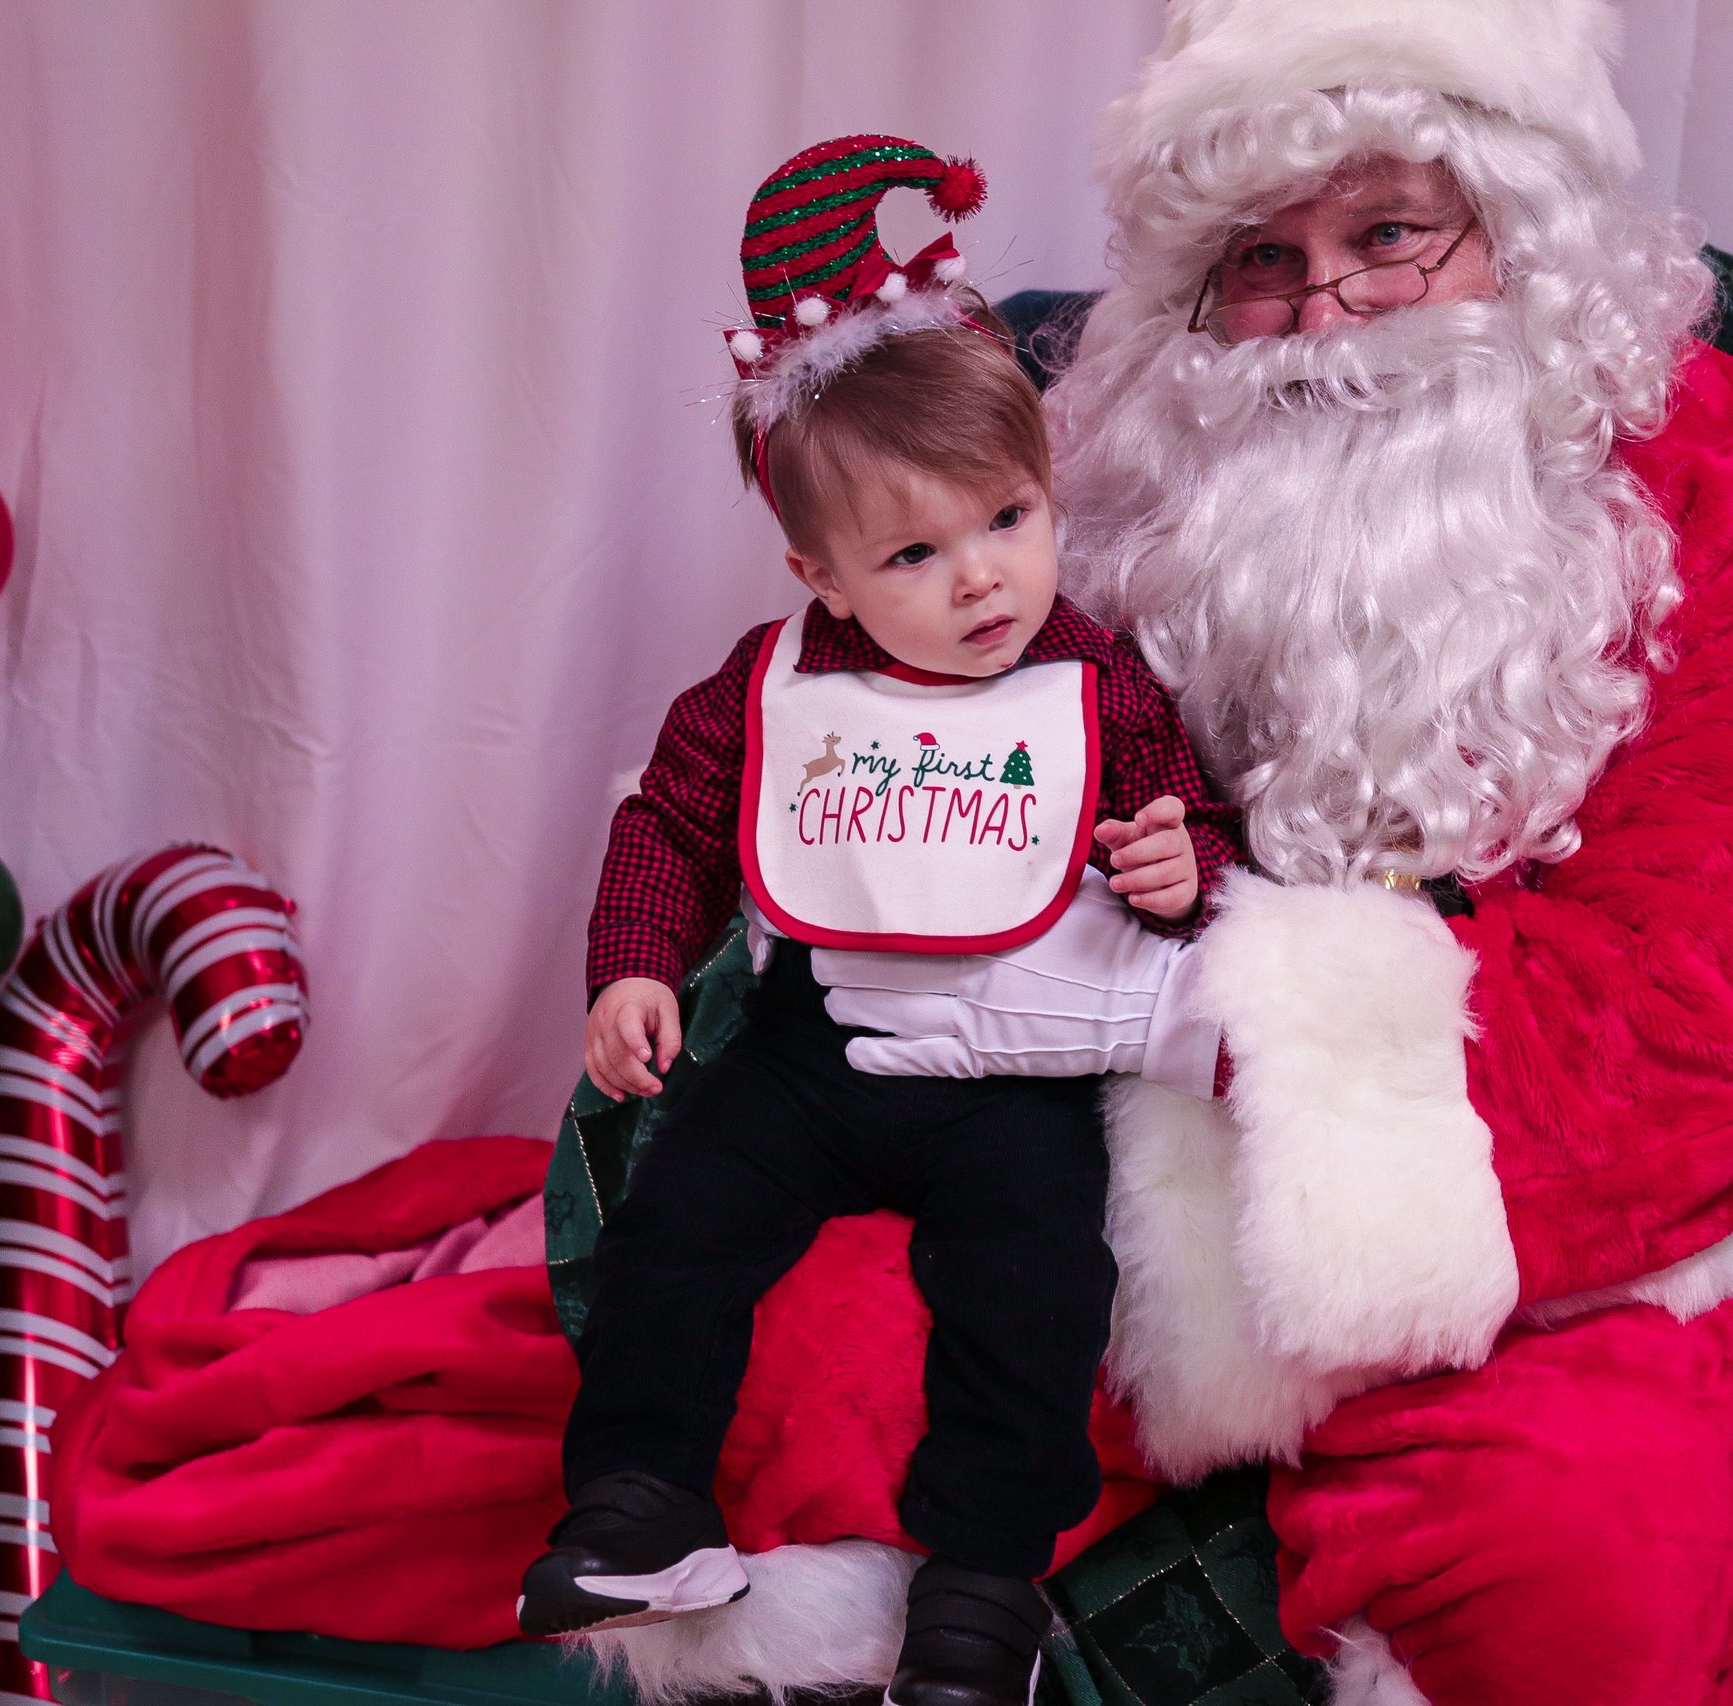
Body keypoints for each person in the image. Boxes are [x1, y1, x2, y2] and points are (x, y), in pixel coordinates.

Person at [599, 7, 1733, 1704]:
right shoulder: (1107, 470)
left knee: (1577, 1561)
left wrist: (1238, 1040)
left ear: (1522, 229)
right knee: (786, 1404)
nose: (1321, 314)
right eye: (1263, 259)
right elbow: (927, 777)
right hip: (1077, 1138)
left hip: (1537, 1209)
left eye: (1390, 234)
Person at [521, 137, 1242, 1706]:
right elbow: (669, 823)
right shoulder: (772, 682)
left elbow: (1195, 825)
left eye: (1007, 518)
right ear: (823, 574)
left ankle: (981, 1588)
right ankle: (637, 1502)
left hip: (1014, 1070)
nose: (981, 580)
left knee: (1036, 1290)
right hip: (813, 1052)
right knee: (677, 1222)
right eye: (915, 554)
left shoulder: (1096, 679)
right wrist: (633, 967)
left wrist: (1178, 866)